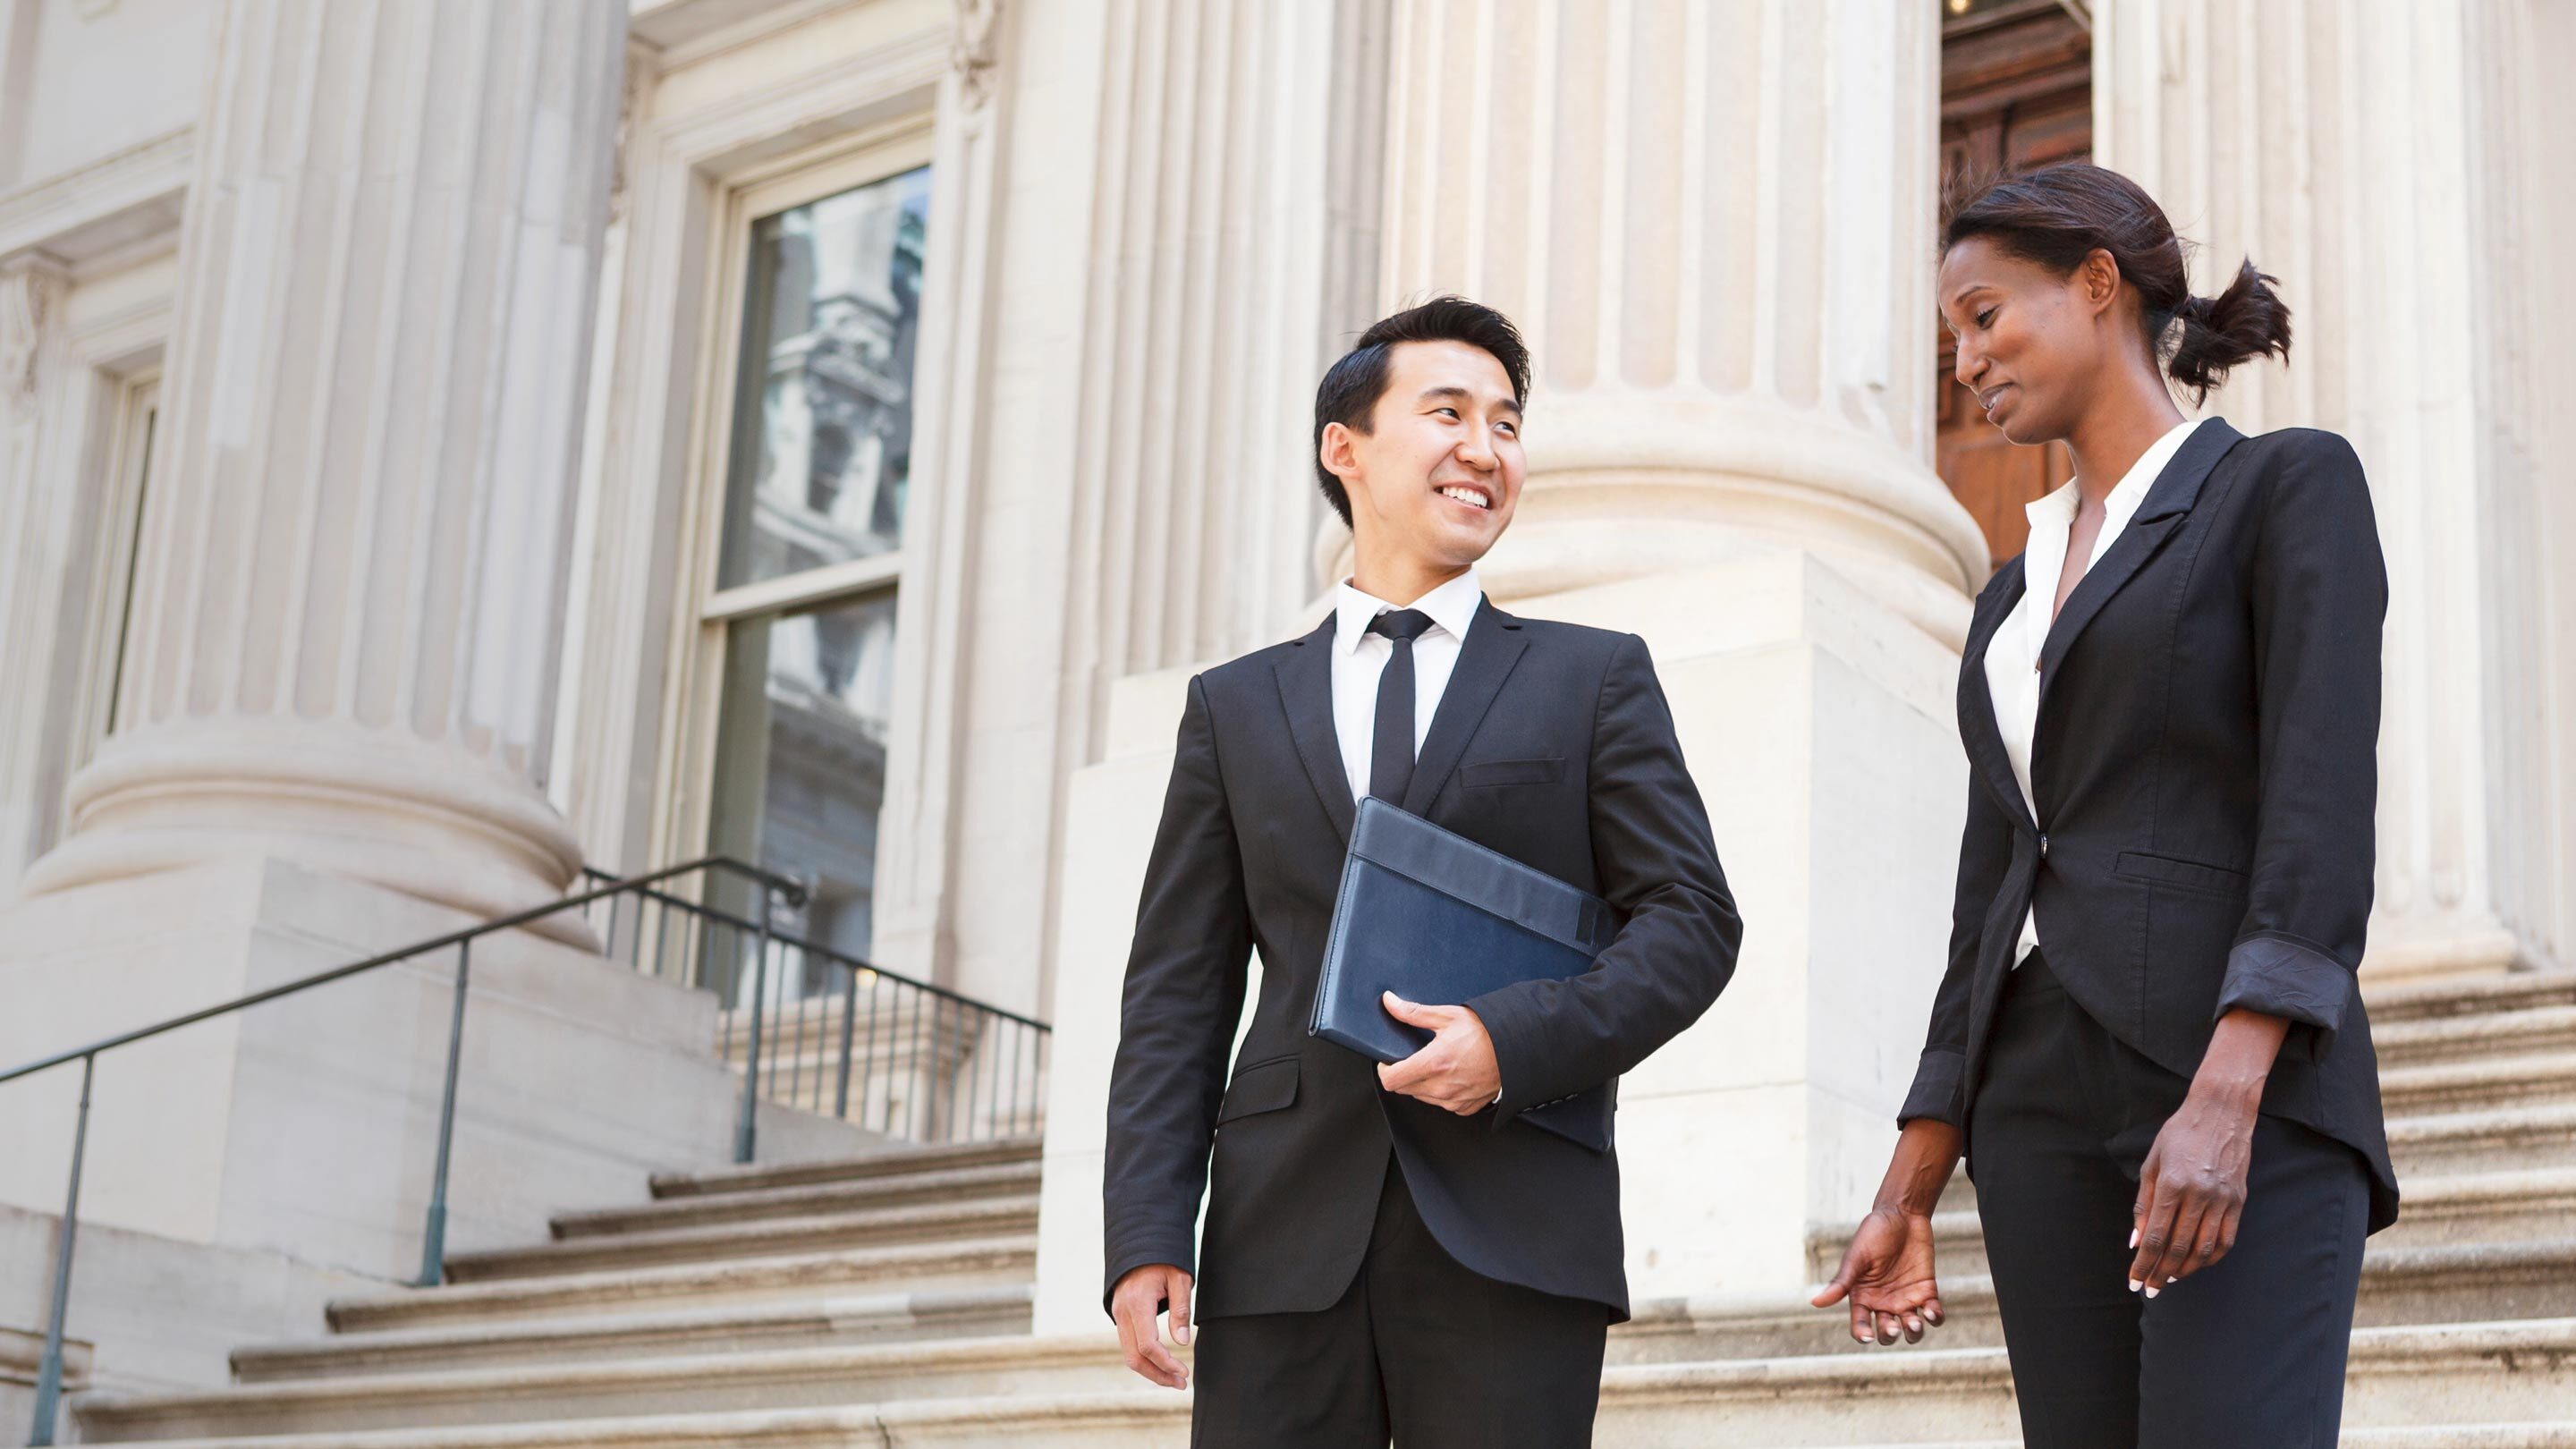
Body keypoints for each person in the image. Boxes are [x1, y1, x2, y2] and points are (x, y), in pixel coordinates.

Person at [1815, 163, 2400, 1448]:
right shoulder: (2007, 593)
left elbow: (2318, 799)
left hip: (2229, 1073)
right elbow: (1993, 884)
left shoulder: (2280, 490)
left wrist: (2229, 1086)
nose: (1963, 361)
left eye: (1984, 316)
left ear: (2096, 286)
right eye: (1951, 334)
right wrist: (1915, 1175)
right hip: (2034, 1102)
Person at [1101, 296, 1742, 1448]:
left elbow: (1693, 922)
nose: (1484, 449)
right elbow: (1176, 992)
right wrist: (1148, 1228)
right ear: (1342, 447)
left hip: (1516, 1228)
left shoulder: (1592, 678)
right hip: (1280, 1236)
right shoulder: (1235, 708)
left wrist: (1519, 1041)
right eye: (1447, 412)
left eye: (1506, 424)